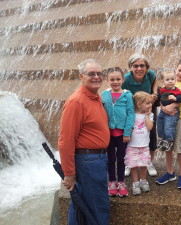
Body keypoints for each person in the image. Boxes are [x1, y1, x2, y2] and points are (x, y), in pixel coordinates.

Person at [58, 59, 110, 225]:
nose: (96, 77)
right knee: (98, 206)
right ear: (81, 76)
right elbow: (65, 141)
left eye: (99, 73)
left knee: (82, 205)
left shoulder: (95, 97)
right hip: (89, 162)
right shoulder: (76, 102)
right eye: (91, 74)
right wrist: (69, 173)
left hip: (96, 159)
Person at [156, 59, 181, 189]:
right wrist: (163, 107)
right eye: (179, 70)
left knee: (179, 149)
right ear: (175, 68)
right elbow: (161, 97)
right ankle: (170, 172)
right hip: (166, 117)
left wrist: (171, 106)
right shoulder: (169, 80)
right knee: (168, 147)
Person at [122, 52, 158, 177]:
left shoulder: (150, 74)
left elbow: (155, 81)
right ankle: (129, 162)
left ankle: (148, 162)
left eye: (142, 66)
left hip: (148, 107)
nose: (139, 69)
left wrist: (154, 92)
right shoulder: (126, 79)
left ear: (146, 67)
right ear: (131, 67)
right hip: (132, 110)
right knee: (130, 133)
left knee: (151, 134)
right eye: (135, 66)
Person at [101, 67, 135, 198]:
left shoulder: (127, 95)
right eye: (112, 79)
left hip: (122, 134)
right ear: (107, 80)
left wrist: (127, 132)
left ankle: (121, 182)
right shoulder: (104, 95)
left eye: (118, 79)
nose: (115, 82)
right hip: (108, 134)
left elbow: (131, 114)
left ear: (123, 79)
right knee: (110, 159)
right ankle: (111, 182)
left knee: (121, 159)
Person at [124, 91, 154, 195]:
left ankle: (143, 181)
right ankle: (135, 183)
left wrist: (146, 116)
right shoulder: (132, 115)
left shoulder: (150, 115)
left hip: (144, 145)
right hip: (132, 145)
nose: (150, 105)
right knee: (134, 165)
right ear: (139, 104)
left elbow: (150, 127)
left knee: (144, 165)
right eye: (148, 103)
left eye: (150, 103)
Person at [157, 70, 181, 151]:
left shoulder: (177, 91)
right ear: (163, 82)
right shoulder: (162, 90)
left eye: (172, 79)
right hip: (163, 111)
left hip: (173, 112)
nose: (170, 81)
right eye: (167, 80)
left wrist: (175, 98)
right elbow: (159, 97)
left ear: (175, 80)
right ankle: (161, 139)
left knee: (169, 126)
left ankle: (169, 140)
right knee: (160, 123)